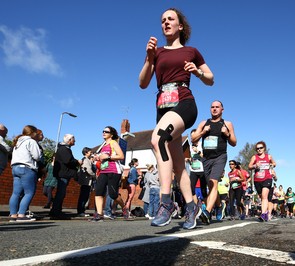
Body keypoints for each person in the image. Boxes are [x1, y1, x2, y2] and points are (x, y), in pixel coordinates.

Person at [139, 8, 214, 229]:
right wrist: (148, 57)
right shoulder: (157, 52)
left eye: (170, 19)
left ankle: (166, 202)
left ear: (180, 26)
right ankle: (191, 206)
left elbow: (211, 78)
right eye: (162, 20)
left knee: (157, 139)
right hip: (163, 107)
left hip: (184, 103)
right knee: (178, 166)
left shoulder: (192, 51)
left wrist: (198, 73)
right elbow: (143, 83)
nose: (165, 22)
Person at [192, 100, 236, 224]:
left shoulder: (227, 123)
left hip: (220, 157)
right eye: (212, 107)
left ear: (222, 109)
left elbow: (234, 142)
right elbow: (193, 138)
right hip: (206, 158)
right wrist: (203, 132)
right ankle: (219, 206)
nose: (214, 109)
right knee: (211, 186)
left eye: (217, 107)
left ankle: (207, 211)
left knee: (213, 181)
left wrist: (227, 134)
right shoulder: (203, 123)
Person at [91, 126, 125, 222]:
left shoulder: (113, 143)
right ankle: (99, 214)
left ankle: (124, 207)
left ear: (112, 134)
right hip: (103, 170)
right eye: (103, 131)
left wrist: (108, 157)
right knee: (98, 192)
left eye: (106, 131)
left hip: (114, 170)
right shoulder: (103, 145)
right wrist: (97, 158)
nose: (104, 133)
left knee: (113, 194)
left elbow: (121, 156)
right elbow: (103, 157)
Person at [9, 125, 42, 222]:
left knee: (15, 193)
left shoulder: (17, 142)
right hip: (26, 168)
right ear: (33, 132)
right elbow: (37, 156)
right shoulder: (31, 141)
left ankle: (13, 215)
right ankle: (21, 215)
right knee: (29, 192)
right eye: (36, 132)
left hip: (15, 168)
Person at [51, 133, 81, 219]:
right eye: (73, 139)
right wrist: (77, 162)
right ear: (69, 140)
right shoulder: (64, 149)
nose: (74, 141)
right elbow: (68, 160)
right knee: (60, 193)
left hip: (63, 174)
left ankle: (55, 211)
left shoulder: (63, 149)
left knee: (60, 193)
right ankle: (56, 212)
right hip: (63, 174)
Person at [248, 141, 277, 222]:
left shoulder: (269, 157)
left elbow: (274, 163)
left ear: (264, 148)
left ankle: (263, 214)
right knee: (262, 197)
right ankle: (267, 212)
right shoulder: (254, 157)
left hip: (267, 178)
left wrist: (272, 165)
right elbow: (249, 166)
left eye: (261, 148)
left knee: (264, 196)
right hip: (257, 180)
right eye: (257, 148)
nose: (259, 150)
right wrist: (255, 165)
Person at [77, 147, 96, 217]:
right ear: (86, 153)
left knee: (84, 196)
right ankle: (81, 211)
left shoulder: (87, 160)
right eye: (90, 152)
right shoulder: (85, 160)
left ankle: (81, 211)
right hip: (86, 181)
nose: (91, 153)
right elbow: (89, 170)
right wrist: (95, 176)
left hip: (86, 181)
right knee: (84, 196)